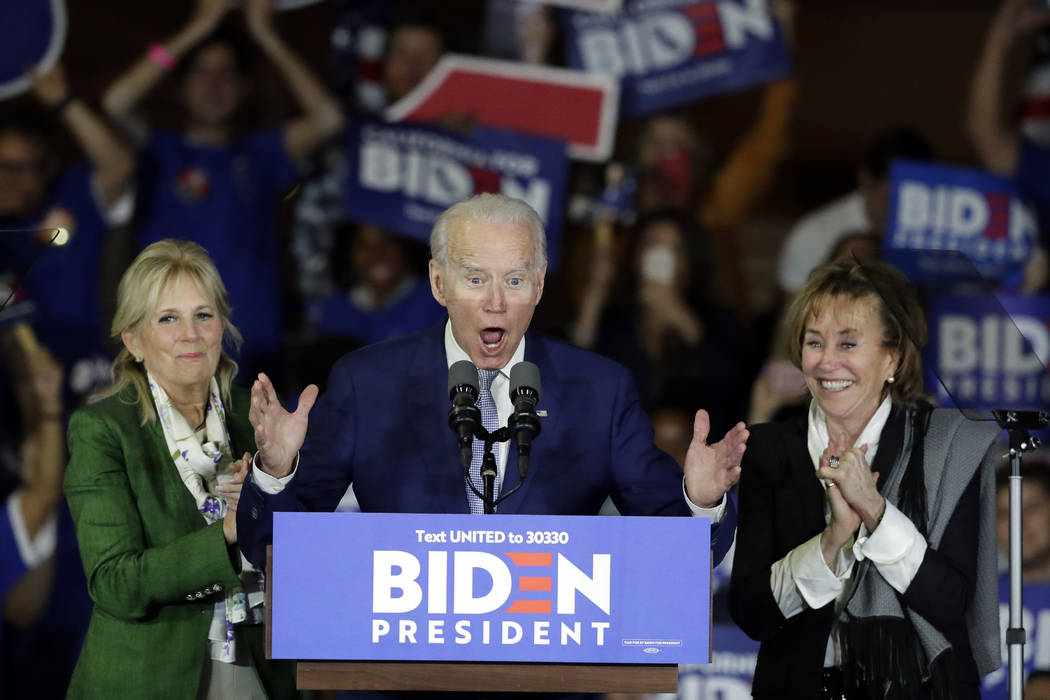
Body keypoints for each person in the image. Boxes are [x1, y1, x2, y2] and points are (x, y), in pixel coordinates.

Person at [238, 193, 749, 573]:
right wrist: (276, 473)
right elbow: (271, 547)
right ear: (440, 283)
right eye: (476, 279)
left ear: (541, 284)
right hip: (397, 678)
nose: (496, 302)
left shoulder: (600, 390)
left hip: (549, 686)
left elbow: (682, 547)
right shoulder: (365, 382)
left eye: (515, 279)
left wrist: (700, 504)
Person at [728, 259, 1001, 698]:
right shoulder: (768, 448)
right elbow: (750, 613)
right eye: (814, 343)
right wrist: (833, 540)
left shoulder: (946, 445)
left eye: (848, 344)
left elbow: (954, 606)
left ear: (892, 356)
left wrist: (875, 512)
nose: (827, 362)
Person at [62, 240, 297, 698]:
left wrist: (283, 474)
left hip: (262, 669)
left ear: (221, 326)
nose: (190, 333)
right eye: (168, 318)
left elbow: (305, 556)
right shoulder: (103, 430)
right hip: (148, 677)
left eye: (203, 315)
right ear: (133, 340)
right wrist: (228, 531)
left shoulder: (260, 414)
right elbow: (115, 584)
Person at [103, 0, 344, 380]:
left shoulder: (262, 153)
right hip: (168, 350)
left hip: (251, 352)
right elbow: (117, 101)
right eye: (200, 72)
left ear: (244, 88)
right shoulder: (160, 151)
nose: (213, 83)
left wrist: (267, 35)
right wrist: (198, 26)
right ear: (181, 89)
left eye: (226, 73)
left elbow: (328, 118)